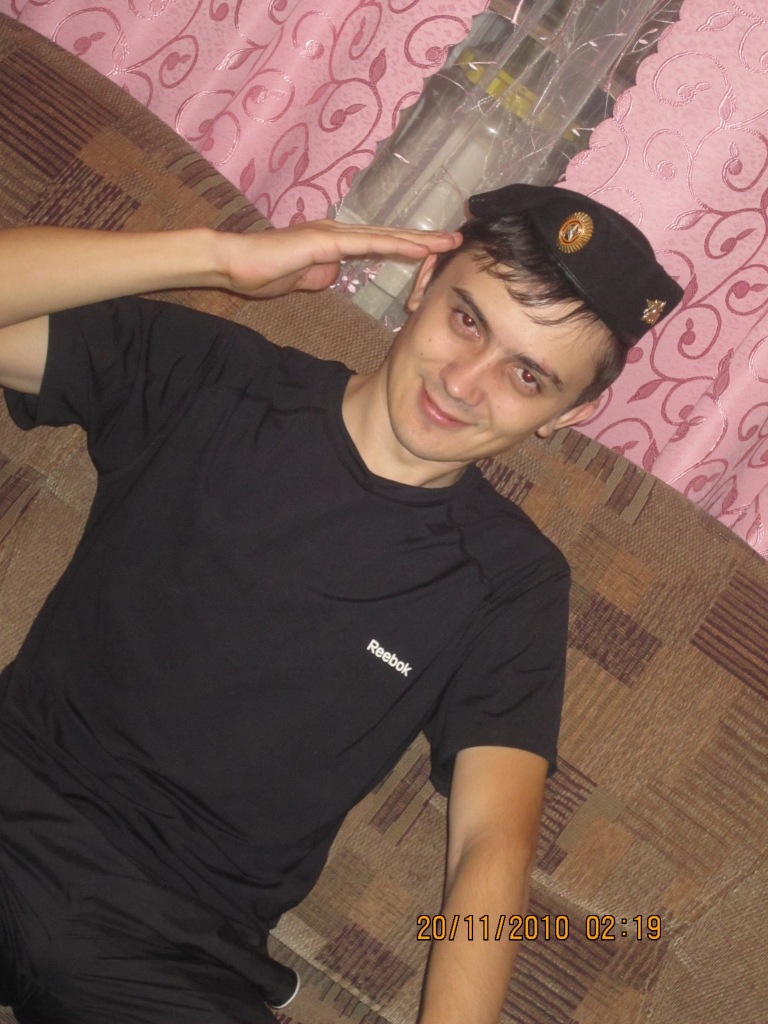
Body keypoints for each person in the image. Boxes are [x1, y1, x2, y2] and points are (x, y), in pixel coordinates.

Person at [0, 184, 683, 1024]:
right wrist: (219, 256)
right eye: (467, 320)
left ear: (570, 412)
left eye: (526, 375)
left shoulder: (511, 585)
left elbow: (489, 846)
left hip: (173, 948)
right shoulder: (216, 380)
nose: (463, 384)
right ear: (423, 282)